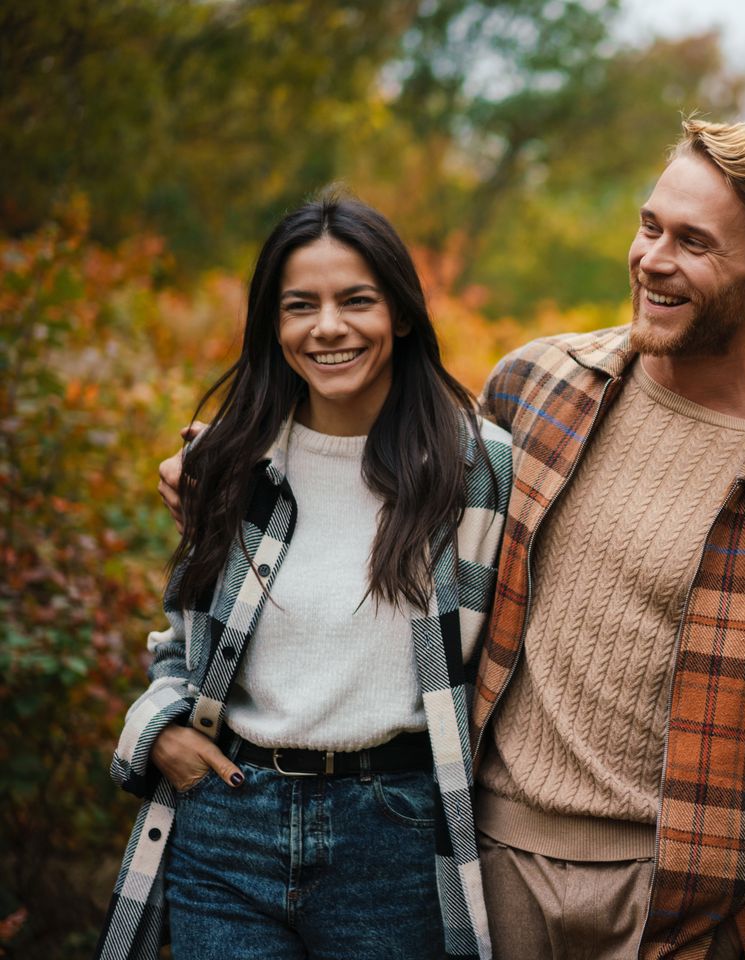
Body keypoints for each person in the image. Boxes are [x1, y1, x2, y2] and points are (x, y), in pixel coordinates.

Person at [161, 119, 745, 960]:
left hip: (670, 904)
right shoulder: (537, 388)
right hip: (488, 867)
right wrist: (222, 464)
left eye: (694, 243)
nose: (653, 259)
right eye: (650, 225)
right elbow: (378, 475)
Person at [99, 196, 511, 960]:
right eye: (300, 306)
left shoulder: (475, 471)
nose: (328, 327)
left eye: (356, 300)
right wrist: (158, 735)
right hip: (227, 827)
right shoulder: (233, 464)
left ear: (402, 315)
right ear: (272, 325)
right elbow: (182, 643)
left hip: (393, 838)